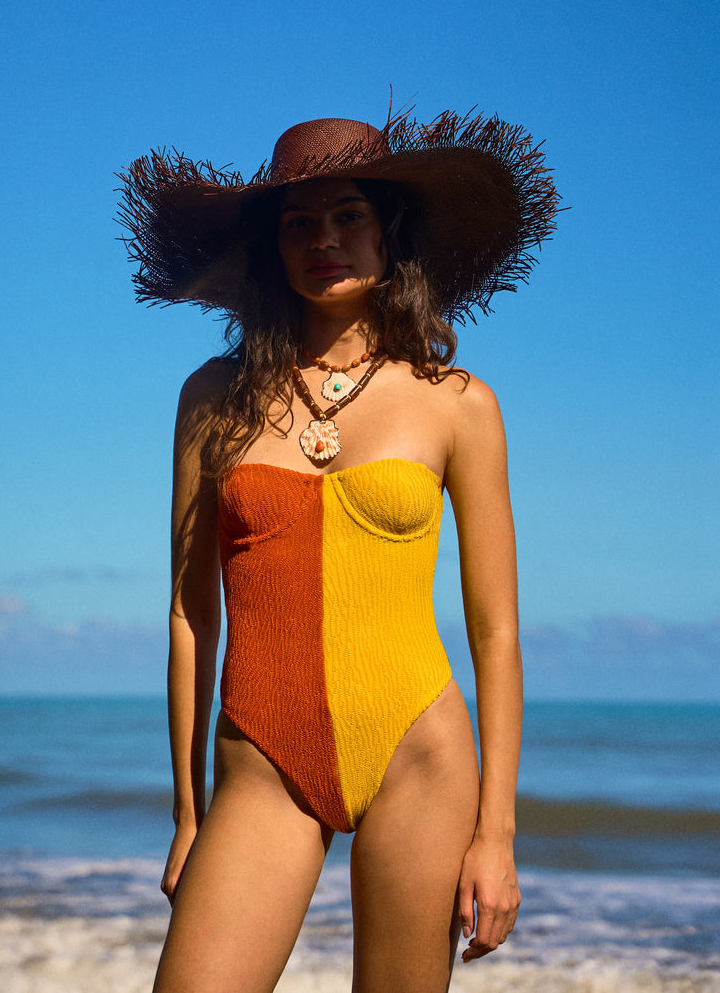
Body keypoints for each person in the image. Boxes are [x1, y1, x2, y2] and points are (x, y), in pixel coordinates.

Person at [117, 110, 559, 993]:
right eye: (298, 222)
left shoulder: (457, 404)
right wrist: (186, 813)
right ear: (270, 246)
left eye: (348, 214)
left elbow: (496, 631)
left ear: (389, 231)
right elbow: (188, 614)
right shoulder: (213, 397)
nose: (324, 239)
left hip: (420, 759)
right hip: (261, 764)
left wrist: (496, 836)